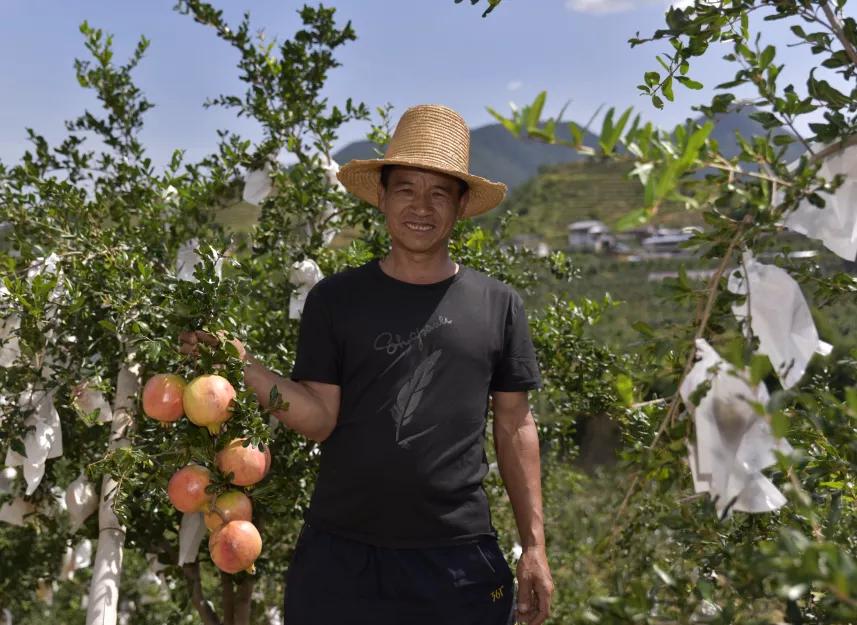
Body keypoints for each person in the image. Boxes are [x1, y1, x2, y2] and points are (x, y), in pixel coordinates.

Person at [181, 104, 554, 625]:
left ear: (461, 203)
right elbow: (319, 418)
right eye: (405, 188)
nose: (420, 206)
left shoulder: (498, 305)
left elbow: (515, 425)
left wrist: (534, 546)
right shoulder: (336, 300)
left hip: (457, 561)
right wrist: (243, 364)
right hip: (341, 560)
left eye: (439, 192)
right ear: (381, 195)